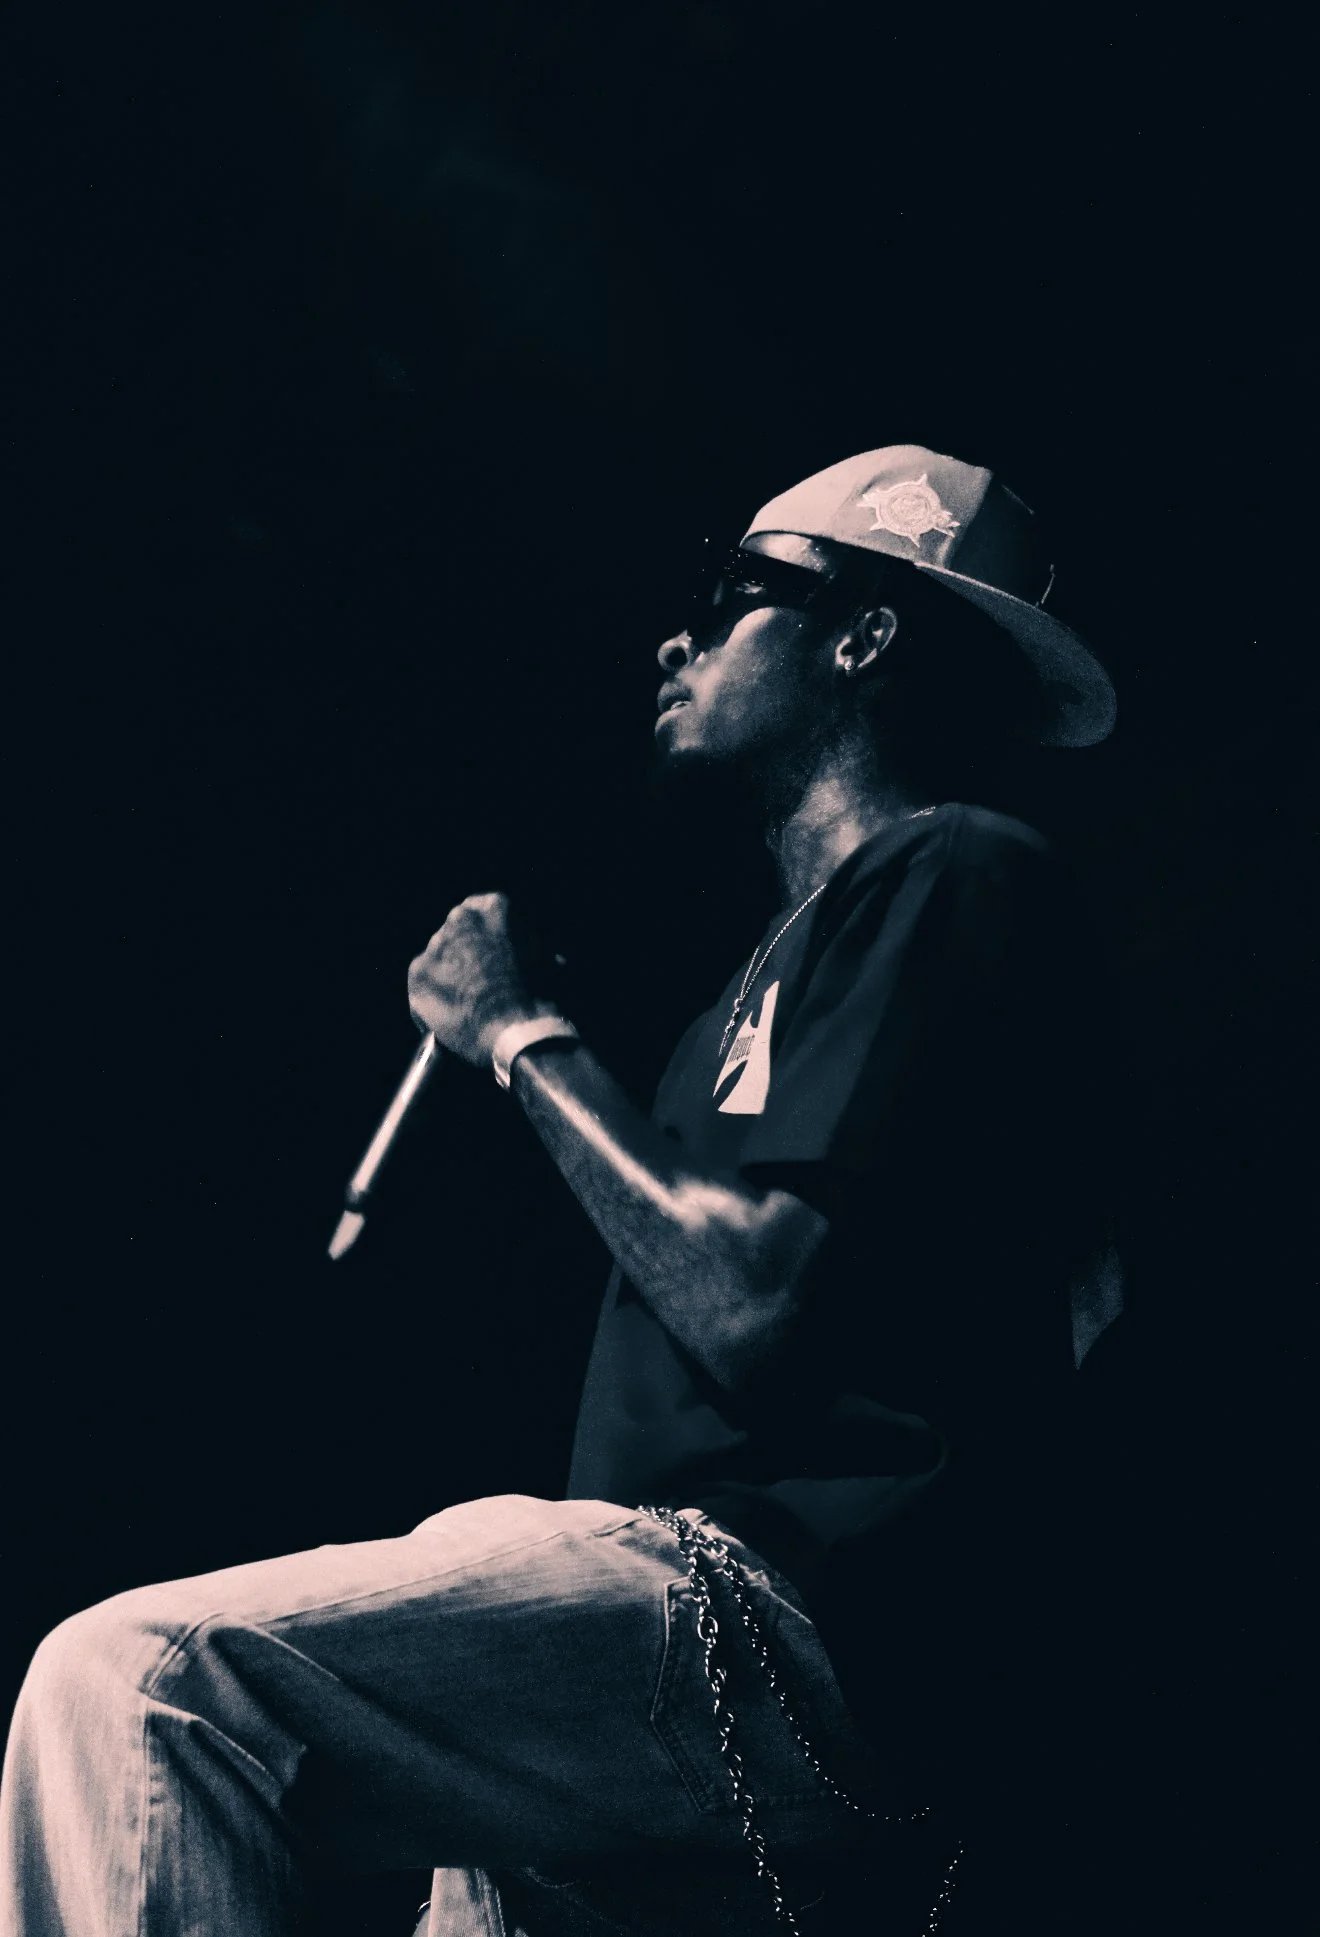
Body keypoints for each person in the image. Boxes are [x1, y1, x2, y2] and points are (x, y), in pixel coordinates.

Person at [0, 445, 1121, 1937]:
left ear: (866, 638)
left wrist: (520, 1037)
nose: (683, 635)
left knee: (143, 1688)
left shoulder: (954, 875)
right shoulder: (751, 989)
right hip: (665, 1662)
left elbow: (755, 1305)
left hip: (765, 1609)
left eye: (740, 595)